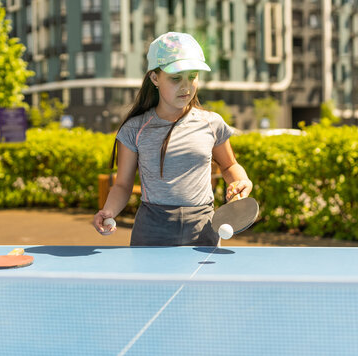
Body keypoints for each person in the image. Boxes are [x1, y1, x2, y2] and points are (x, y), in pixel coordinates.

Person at [93, 32, 253, 246]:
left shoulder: (212, 123)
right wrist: (108, 211)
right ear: (154, 78)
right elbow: (122, 185)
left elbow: (229, 165)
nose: (186, 87)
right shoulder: (134, 129)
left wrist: (240, 182)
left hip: (203, 228)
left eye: (192, 76)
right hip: (152, 230)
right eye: (176, 78)